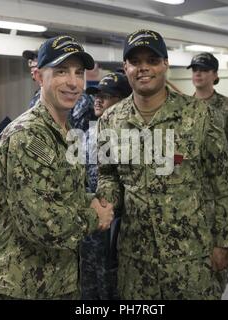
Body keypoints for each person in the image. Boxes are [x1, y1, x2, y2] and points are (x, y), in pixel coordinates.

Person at [96, 29, 228, 299]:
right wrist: (106, 202)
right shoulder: (111, 120)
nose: (144, 68)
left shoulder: (199, 115)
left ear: (165, 64)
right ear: (125, 67)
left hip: (191, 257)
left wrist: (222, 243)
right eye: (135, 62)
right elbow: (108, 175)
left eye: (152, 60)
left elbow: (224, 183)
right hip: (135, 261)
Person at [0, 35, 114, 300]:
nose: (73, 82)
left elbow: (65, 192)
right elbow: (43, 224)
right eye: (61, 71)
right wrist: (96, 216)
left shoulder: (65, 132)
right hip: (24, 285)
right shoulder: (27, 136)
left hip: (59, 279)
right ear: (38, 76)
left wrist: (93, 200)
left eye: (79, 72)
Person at [189, 52, 228, 294]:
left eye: (204, 69)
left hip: (217, 196)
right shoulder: (184, 106)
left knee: (214, 268)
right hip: (187, 194)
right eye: (195, 68)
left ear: (215, 75)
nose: (198, 73)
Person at [80, 71, 132, 300]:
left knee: (112, 286)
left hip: (114, 226)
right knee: (88, 284)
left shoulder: (131, 136)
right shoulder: (87, 133)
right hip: (88, 226)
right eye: (96, 95)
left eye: (107, 95)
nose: (98, 100)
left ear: (122, 101)